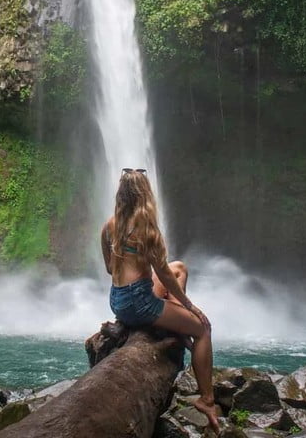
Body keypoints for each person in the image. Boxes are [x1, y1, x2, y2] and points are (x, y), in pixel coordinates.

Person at [101, 168, 220, 433]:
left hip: (118, 301)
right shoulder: (147, 230)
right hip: (140, 303)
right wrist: (190, 306)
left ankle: (171, 325)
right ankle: (207, 399)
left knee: (180, 267)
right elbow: (164, 277)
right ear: (145, 195)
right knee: (203, 328)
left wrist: (133, 263)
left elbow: (110, 269)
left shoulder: (109, 226)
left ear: (121, 195)